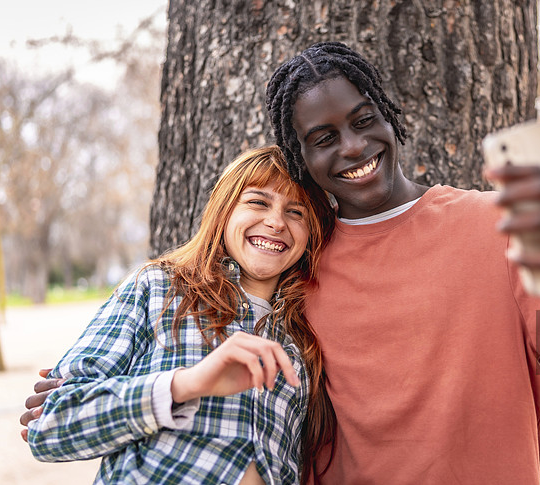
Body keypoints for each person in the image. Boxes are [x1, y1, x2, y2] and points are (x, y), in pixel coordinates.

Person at [24, 43, 540, 484]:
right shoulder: (292, 271)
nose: (354, 147)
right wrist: (81, 398)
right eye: (324, 137)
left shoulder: (498, 228)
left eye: (365, 121)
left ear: (391, 118)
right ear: (300, 154)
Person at [24, 146, 336, 485]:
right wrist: (185, 385)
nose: (276, 221)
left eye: (297, 212)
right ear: (223, 211)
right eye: (258, 202)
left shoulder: (304, 341)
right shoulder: (159, 287)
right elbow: (51, 426)